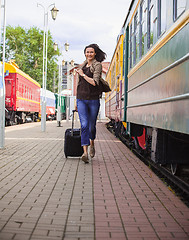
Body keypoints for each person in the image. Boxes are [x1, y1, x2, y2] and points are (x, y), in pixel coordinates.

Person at [76, 43, 106, 163]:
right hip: (81, 99)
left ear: (95, 54)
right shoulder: (81, 66)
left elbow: (95, 82)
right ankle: (84, 152)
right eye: (87, 52)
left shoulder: (97, 65)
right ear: (85, 53)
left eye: (91, 52)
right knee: (83, 125)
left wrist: (83, 75)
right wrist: (75, 101)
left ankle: (92, 143)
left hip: (93, 100)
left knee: (91, 126)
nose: (89, 54)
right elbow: (78, 84)